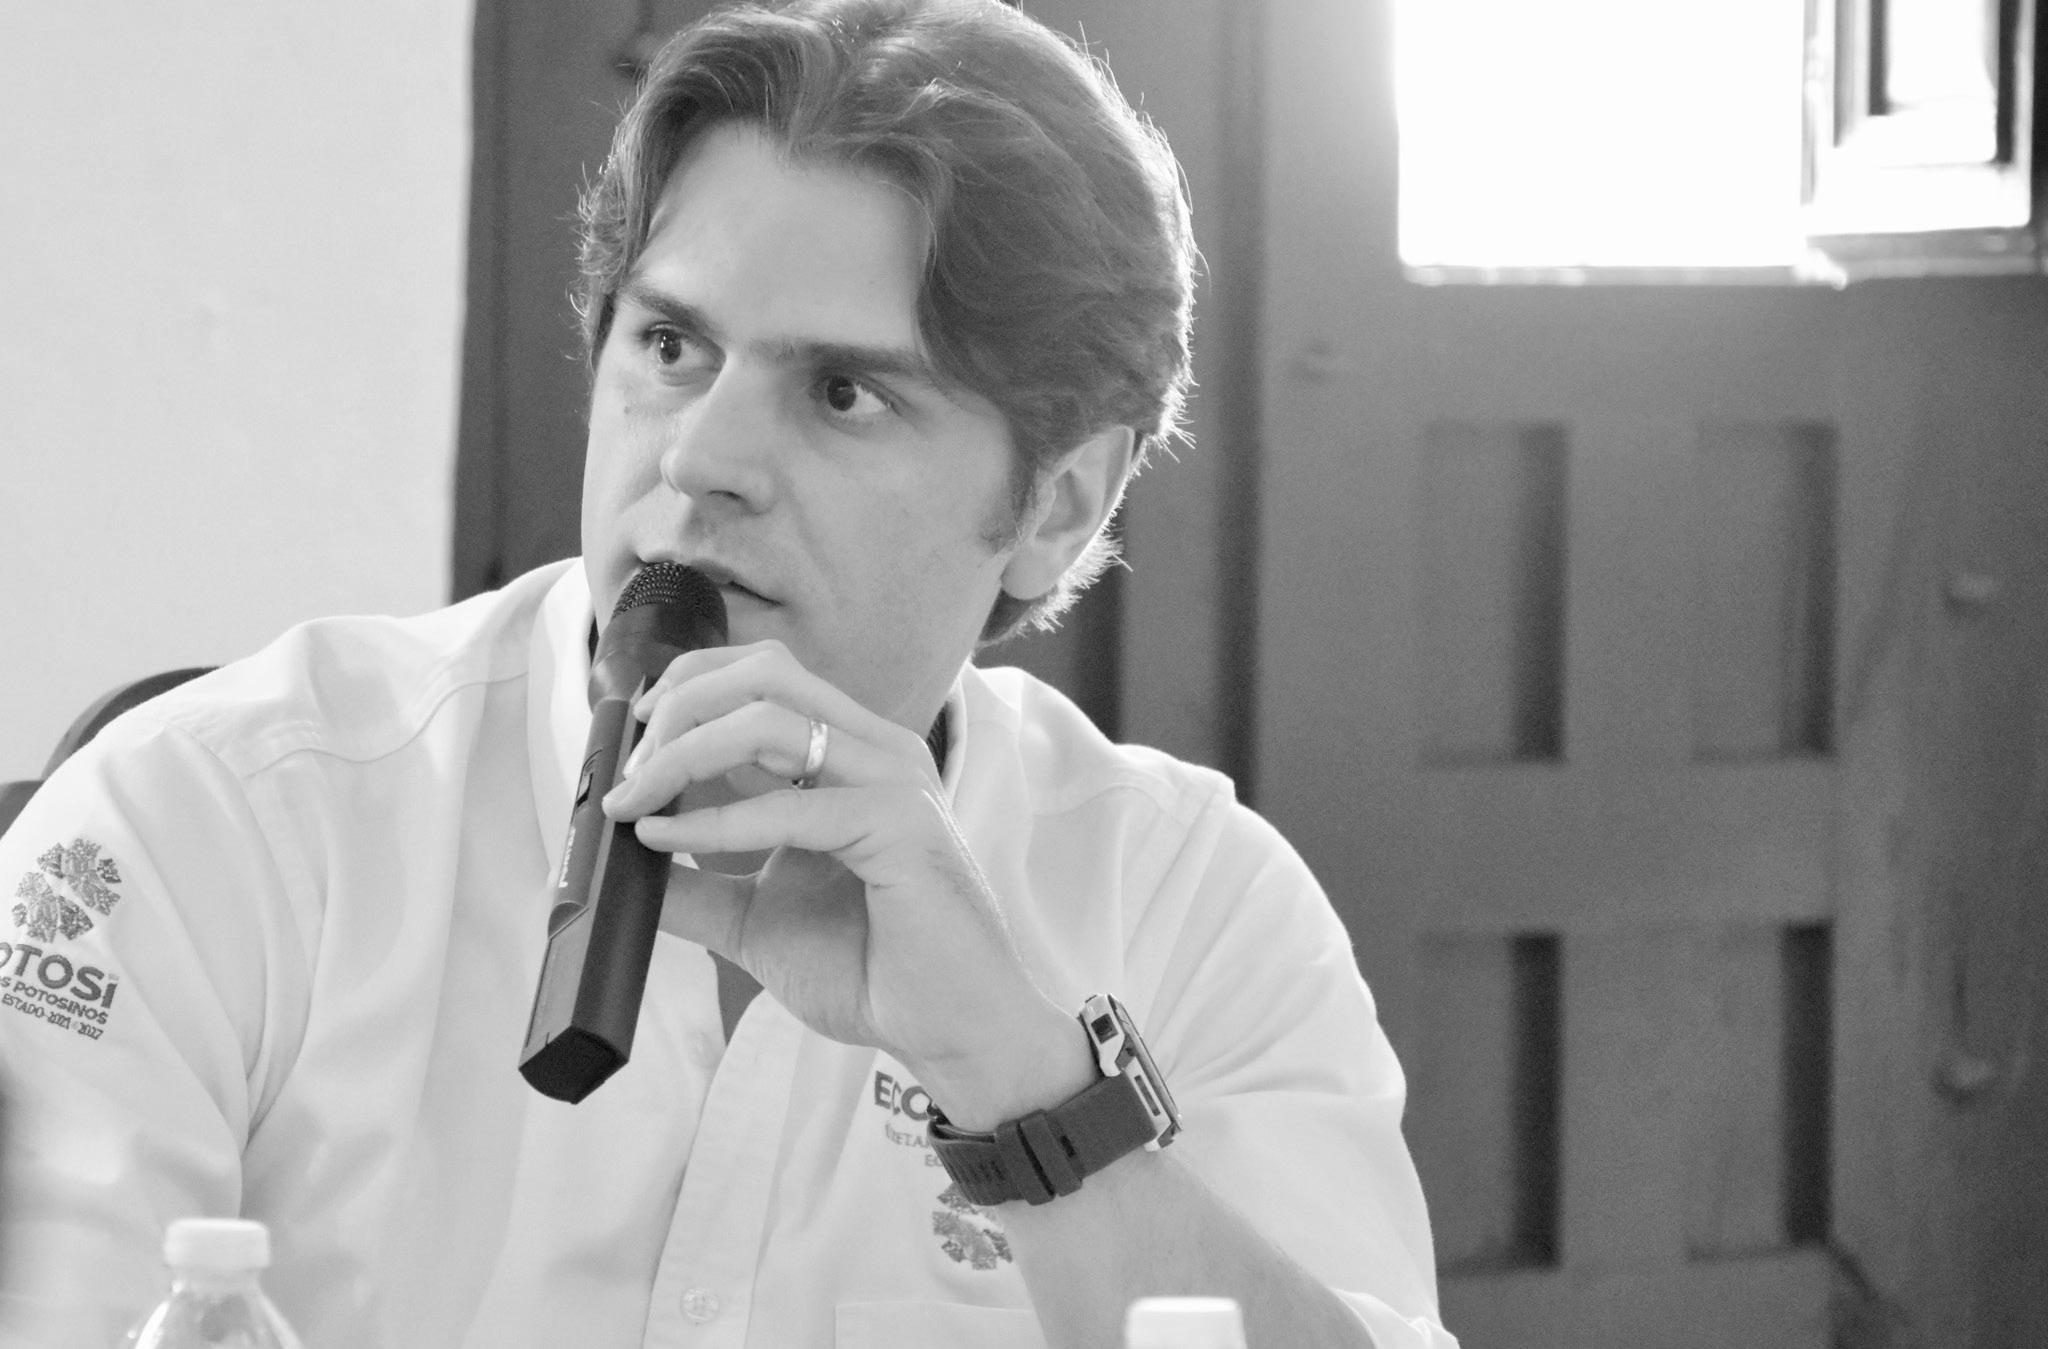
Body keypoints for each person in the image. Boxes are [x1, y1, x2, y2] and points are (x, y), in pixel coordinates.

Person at [0, 2, 1455, 1346]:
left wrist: (1021, 1083)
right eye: (671, 346)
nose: (700, 459)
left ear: (1060, 503)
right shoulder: (213, 823)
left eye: (842, 392)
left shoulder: (1193, 903)